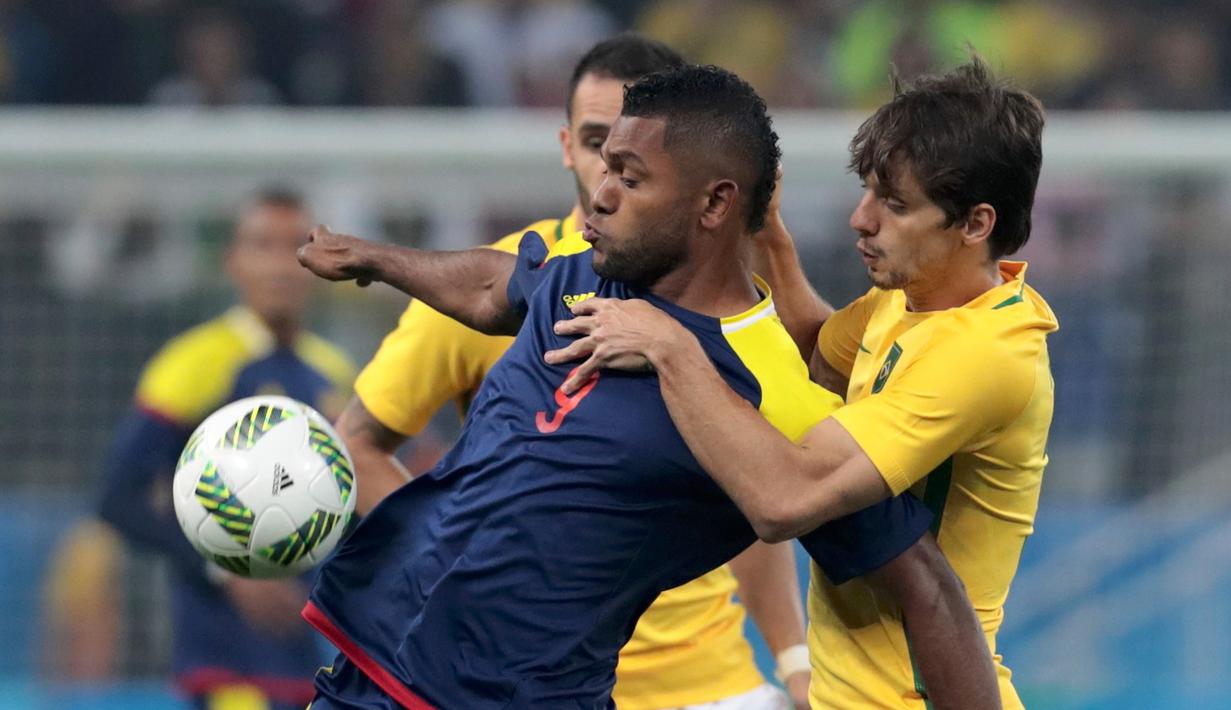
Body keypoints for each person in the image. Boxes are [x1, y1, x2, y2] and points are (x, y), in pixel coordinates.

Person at [297, 64, 998, 709]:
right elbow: (491, 286)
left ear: (713, 204)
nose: (598, 197)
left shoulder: (766, 385)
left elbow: (925, 585)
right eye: (605, 168)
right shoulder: (585, 276)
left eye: (629, 179)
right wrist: (374, 258)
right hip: (367, 666)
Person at [547, 57, 1055, 709]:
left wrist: (669, 347)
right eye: (868, 190)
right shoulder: (916, 297)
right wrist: (768, 237)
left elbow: (787, 497)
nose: (860, 219)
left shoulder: (984, 352)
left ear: (975, 224)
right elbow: (815, 354)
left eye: (894, 204)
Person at [336, 34, 810, 710]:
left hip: (703, 686)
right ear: (567, 145)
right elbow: (358, 438)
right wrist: (456, 579)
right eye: (597, 146)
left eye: (636, 163)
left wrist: (794, 658)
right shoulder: (509, 277)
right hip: (506, 681)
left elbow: (757, 495)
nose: (606, 179)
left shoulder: (732, 320)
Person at [97, 189, 355, 710]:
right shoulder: (194, 364)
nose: (282, 266)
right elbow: (117, 497)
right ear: (232, 262)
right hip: (224, 662)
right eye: (262, 245)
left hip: (315, 662)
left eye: (296, 247)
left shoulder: (335, 373)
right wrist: (223, 568)